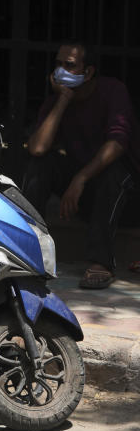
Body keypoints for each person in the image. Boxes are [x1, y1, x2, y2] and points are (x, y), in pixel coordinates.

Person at [24, 40, 140, 289]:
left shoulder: (113, 91)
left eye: (69, 65)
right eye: (57, 64)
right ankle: (28, 250)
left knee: (114, 172)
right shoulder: (58, 99)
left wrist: (81, 178)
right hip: (86, 194)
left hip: (127, 197)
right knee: (40, 166)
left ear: (88, 72)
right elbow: (37, 148)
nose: (60, 70)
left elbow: (118, 143)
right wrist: (63, 100)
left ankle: (101, 263)